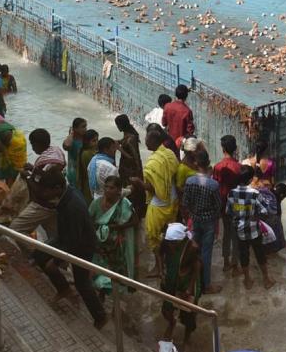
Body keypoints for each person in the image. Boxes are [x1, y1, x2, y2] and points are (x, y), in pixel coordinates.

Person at [31, 166, 108, 329]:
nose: (43, 194)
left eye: (46, 191)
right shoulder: (65, 194)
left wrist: (58, 261)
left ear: (57, 188)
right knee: (39, 254)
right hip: (65, 237)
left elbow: (74, 242)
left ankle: (100, 317)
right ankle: (63, 288)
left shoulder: (73, 207)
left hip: (82, 245)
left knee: (81, 282)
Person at [134, 124, 179, 271]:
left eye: (147, 139)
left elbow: (154, 188)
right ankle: (169, 262)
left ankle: (158, 267)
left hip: (159, 204)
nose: (145, 142)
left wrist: (139, 183)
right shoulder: (170, 154)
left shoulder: (153, 163)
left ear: (153, 141)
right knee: (168, 234)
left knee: (153, 235)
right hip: (173, 200)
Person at [179, 147, 221, 294]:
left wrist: (190, 215)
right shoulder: (213, 185)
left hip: (194, 219)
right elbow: (218, 207)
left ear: (196, 163)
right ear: (208, 164)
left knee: (194, 250)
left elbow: (185, 203)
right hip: (208, 221)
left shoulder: (190, 182)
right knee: (206, 253)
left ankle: (193, 281)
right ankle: (206, 284)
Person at [226, 165, 275, 289]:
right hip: (254, 230)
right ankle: (266, 280)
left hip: (240, 231)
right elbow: (265, 211)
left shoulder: (231, 193)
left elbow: (228, 211)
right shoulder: (254, 193)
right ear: (250, 179)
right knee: (260, 254)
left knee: (244, 255)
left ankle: (247, 280)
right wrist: (256, 216)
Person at [89, 171, 136, 294]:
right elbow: (89, 222)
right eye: (106, 187)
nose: (108, 190)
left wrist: (116, 227)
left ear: (118, 190)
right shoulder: (96, 203)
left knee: (116, 273)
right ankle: (102, 294)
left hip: (117, 246)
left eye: (112, 188)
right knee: (99, 272)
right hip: (101, 245)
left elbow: (134, 221)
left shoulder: (124, 204)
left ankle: (115, 294)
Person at [159, 222, 202, 344]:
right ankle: (172, 322)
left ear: (181, 240)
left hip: (187, 280)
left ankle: (187, 337)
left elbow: (197, 266)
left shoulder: (192, 247)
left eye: (173, 243)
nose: (171, 245)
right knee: (166, 309)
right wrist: (161, 271)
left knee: (188, 313)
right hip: (171, 278)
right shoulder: (166, 242)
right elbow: (159, 253)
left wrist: (189, 287)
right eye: (169, 243)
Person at [212, 134, 243, 274]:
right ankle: (235, 264)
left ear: (223, 148)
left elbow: (216, 187)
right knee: (236, 235)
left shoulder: (218, 167)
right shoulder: (239, 167)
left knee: (226, 234)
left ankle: (226, 263)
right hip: (237, 205)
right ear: (235, 148)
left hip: (224, 205)